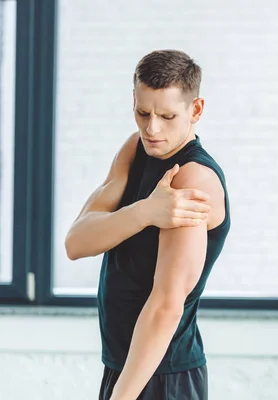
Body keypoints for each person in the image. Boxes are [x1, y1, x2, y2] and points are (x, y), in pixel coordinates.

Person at [64, 49, 230, 400]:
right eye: (143, 113)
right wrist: (146, 212)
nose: (152, 128)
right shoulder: (135, 149)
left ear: (195, 110)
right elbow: (76, 243)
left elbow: (167, 306)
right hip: (123, 367)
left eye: (168, 116)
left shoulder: (193, 179)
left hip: (163, 375)